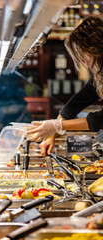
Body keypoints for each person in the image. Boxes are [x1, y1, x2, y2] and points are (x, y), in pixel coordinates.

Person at [27, 16, 103, 157]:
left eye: (82, 53)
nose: (81, 60)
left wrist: (57, 126)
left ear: (94, 47)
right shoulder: (100, 72)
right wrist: (53, 132)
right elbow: (77, 102)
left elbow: (100, 119)